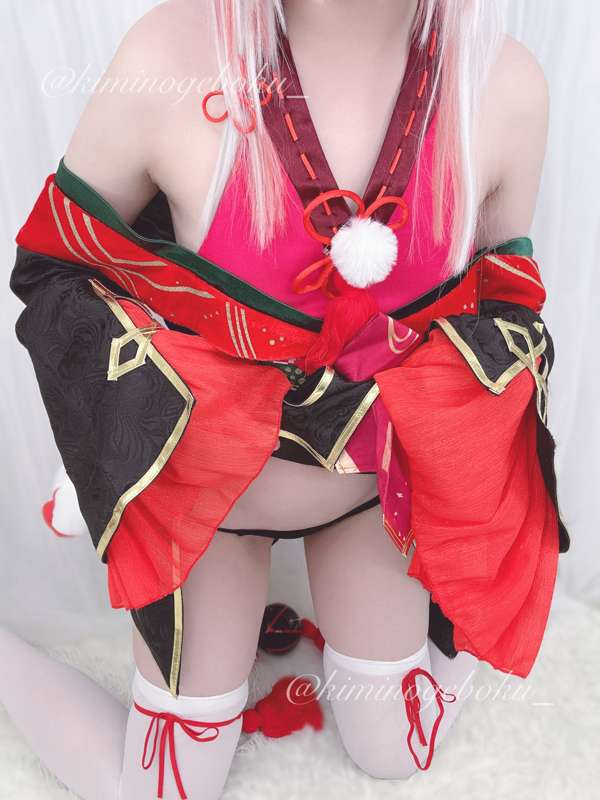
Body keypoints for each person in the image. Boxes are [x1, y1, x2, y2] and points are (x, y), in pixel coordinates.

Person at [2, 1, 569, 798]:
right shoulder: (170, 55)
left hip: (372, 498)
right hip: (211, 506)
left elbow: (504, 306)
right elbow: (57, 267)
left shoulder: (503, 86)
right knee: (163, 788)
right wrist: (158, 405)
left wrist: (442, 429)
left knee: (395, 749)